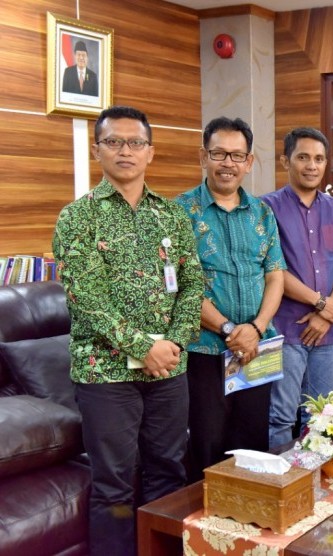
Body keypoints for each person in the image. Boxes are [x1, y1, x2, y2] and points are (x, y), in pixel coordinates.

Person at [52, 105, 203, 556]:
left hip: (168, 370)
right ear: (97, 150)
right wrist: (144, 347)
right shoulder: (77, 217)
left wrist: (173, 342)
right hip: (106, 375)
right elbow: (87, 298)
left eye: (135, 143)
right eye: (114, 142)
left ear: (150, 152)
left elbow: (192, 281)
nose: (125, 151)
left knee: (169, 472)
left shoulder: (171, 215)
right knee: (114, 486)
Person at [176, 116, 286, 482]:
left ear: (249, 162)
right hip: (205, 349)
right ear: (203, 157)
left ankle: (251, 527)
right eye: (219, 153)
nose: (228, 163)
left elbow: (275, 275)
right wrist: (228, 329)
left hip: (259, 347)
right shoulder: (180, 212)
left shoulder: (262, 212)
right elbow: (182, 285)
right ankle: (208, 533)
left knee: (254, 442)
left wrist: (254, 328)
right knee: (208, 443)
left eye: (237, 155)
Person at [261, 127, 333, 449]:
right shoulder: (266, 208)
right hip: (285, 329)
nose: (312, 166)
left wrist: (328, 314)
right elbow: (273, 270)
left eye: (318, 158)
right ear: (285, 160)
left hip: (329, 335)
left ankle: (318, 487)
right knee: (281, 416)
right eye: (303, 157)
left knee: (321, 415)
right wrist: (321, 304)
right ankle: (280, 486)